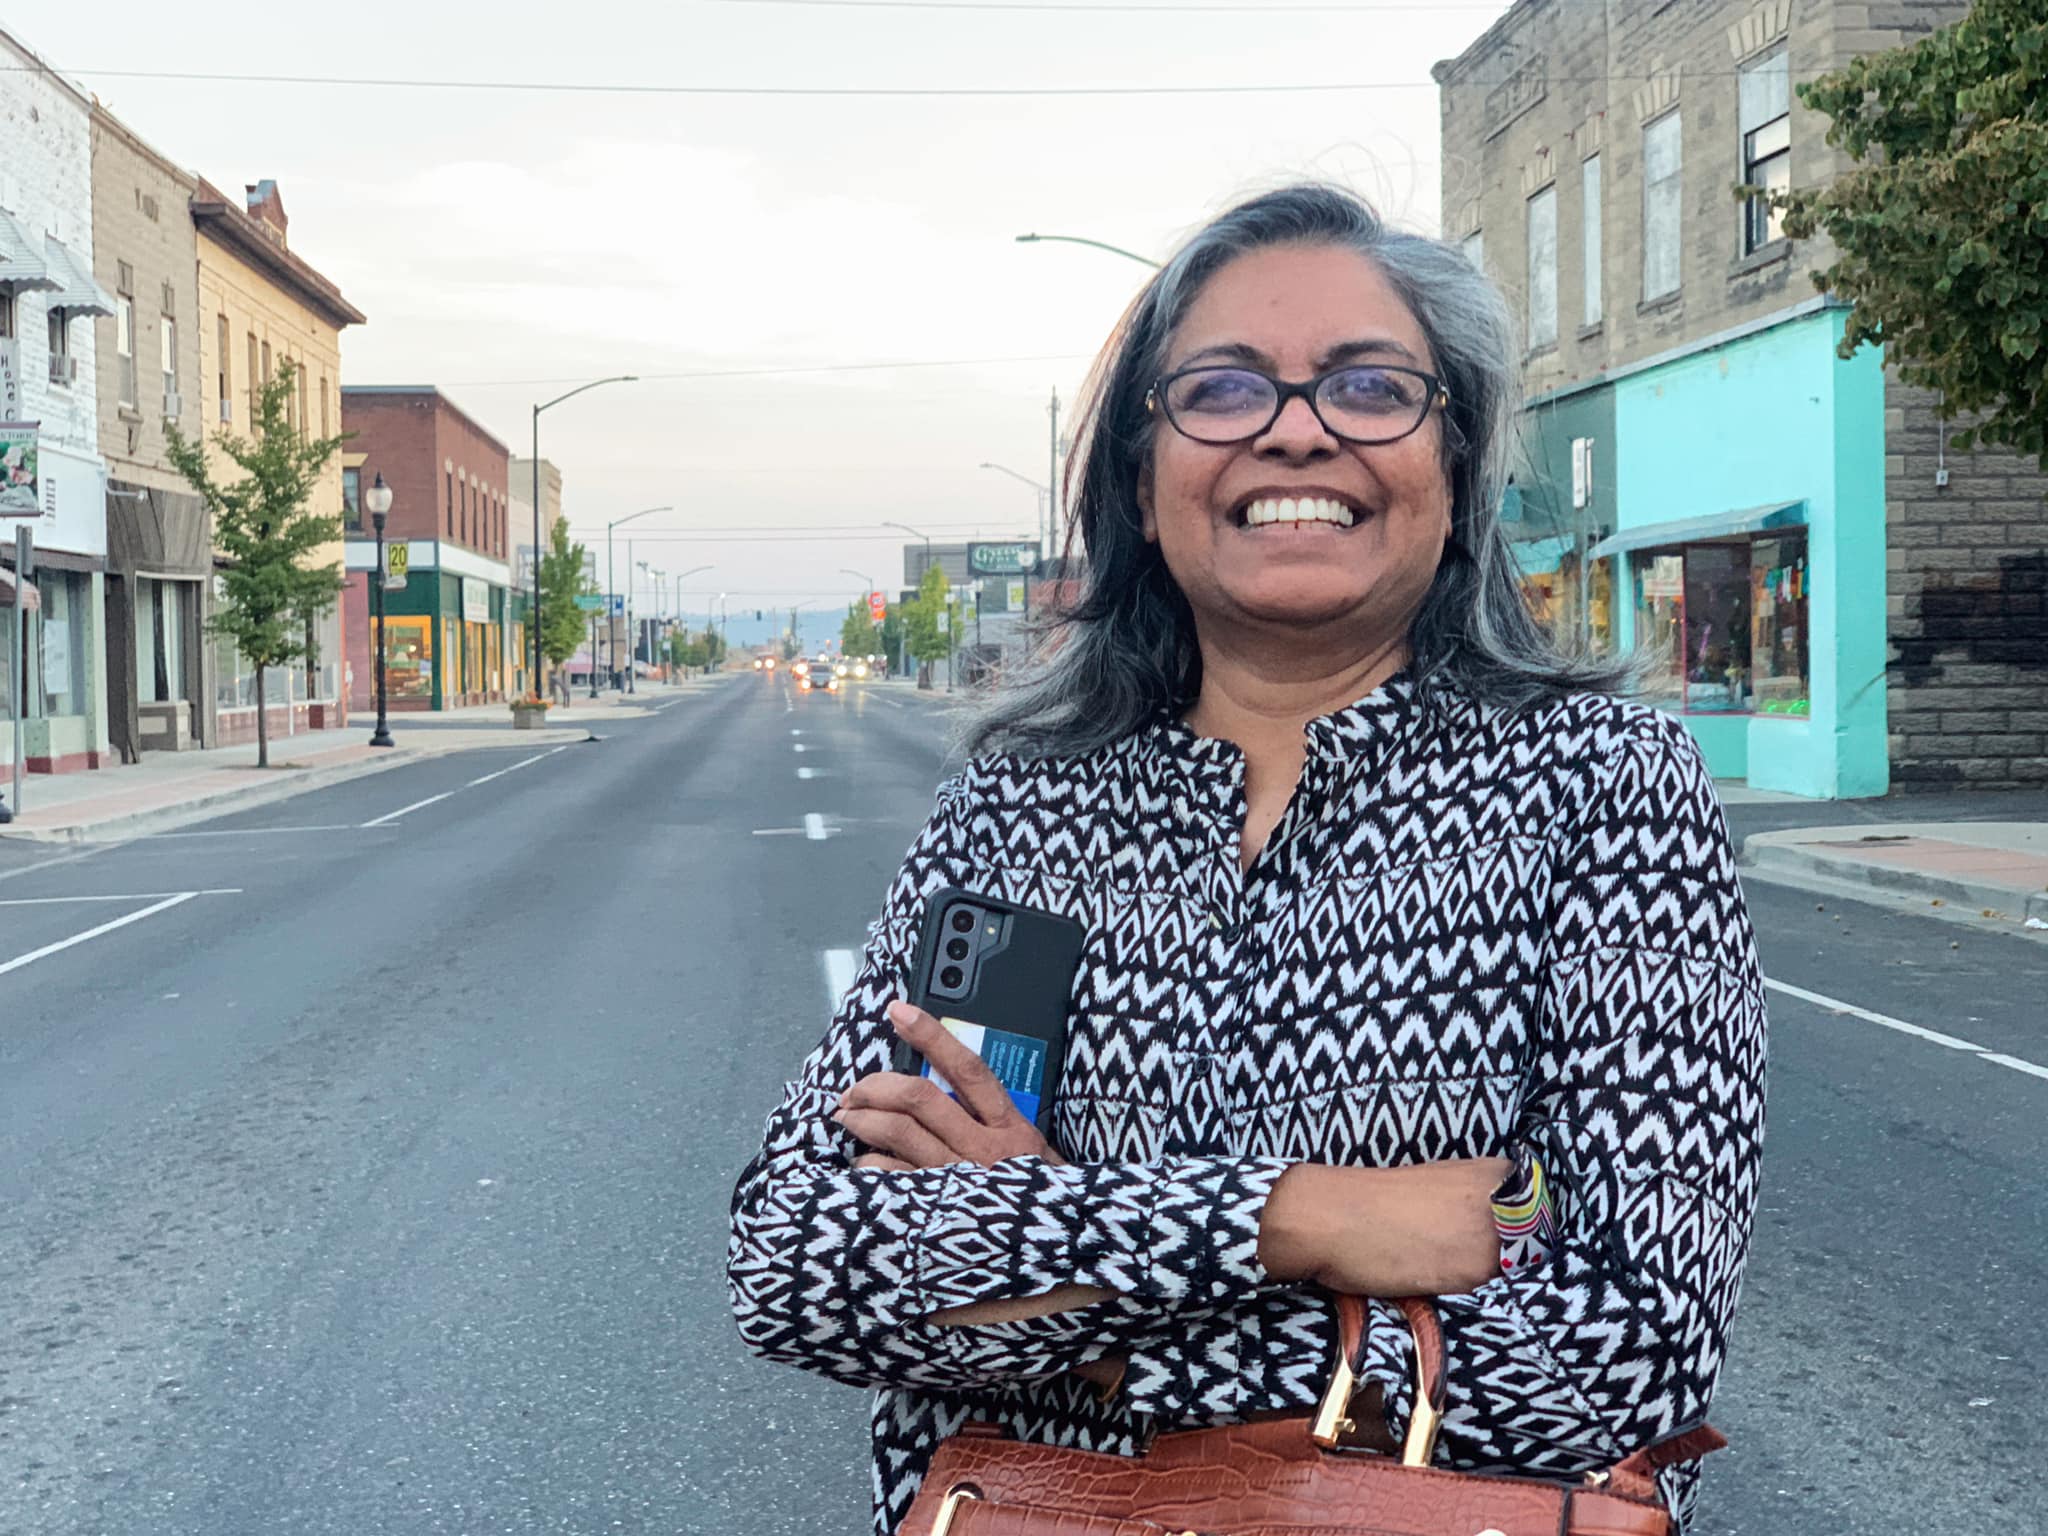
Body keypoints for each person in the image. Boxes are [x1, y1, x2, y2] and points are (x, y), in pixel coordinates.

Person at [728, 185, 1766, 1536]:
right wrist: (1295, 1218)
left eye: (1370, 386)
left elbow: (1627, 1347)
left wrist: (1060, 1286)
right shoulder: (1020, 808)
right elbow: (799, 1262)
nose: (1293, 427)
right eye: (1220, 389)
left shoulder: (1604, 788)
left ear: (1450, 476)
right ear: (1144, 488)